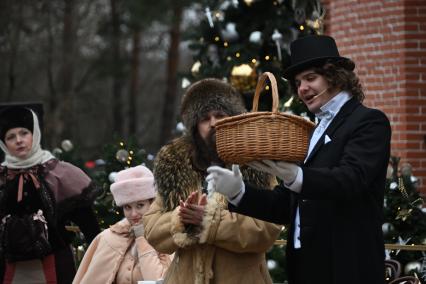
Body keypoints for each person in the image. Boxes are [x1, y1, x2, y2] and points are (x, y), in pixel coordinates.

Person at [207, 35, 392, 284]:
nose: (302, 88)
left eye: (310, 78)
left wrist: (298, 176)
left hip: (347, 266)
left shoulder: (369, 121)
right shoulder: (312, 131)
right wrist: (239, 193)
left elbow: (351, 179)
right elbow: (287, 205)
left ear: (335, 76)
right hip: (305, 267)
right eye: (298, 82)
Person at [142, 78, 281, 284]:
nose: (214, 123)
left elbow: (266, 230)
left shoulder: (254, 163)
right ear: (195, 126)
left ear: (233, 118)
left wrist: (209, 221)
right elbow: (152, 231)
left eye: (220, 115)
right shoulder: (177, 165)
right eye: (205, 118)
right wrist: (182, 218)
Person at [0, 105, 101, 284]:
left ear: (35, 134)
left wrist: (100, 263)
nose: (19, 140)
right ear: (3, 143)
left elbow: (90, 228)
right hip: (9, 269)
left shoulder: (59, 174)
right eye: (10, 137)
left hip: (55, 266)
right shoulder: (2, 178)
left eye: (24, 133)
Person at [73, 165, 172, 284]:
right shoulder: (108, 238)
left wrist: (141, 239)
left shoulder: (166, 236)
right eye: (127, 207)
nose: (133, 214)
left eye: (140, 205)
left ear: (152, 203)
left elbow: (157, 280)